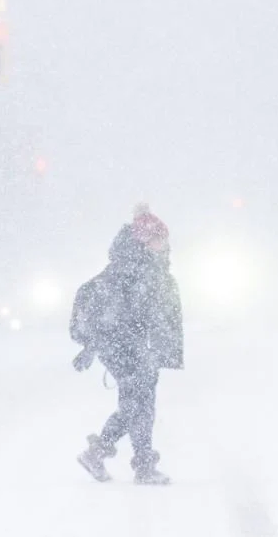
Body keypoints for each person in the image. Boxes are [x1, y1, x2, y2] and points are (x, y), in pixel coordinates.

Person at [71, 204, 184, 485]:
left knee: (135, 405)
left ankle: (96, 453)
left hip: (135, 348)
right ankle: (142, 467)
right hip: (124, 348)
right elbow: (107, 313)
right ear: (145, 242)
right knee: (140, 405)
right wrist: (92, 346)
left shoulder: (144, 268)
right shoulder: (128, 270)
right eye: (159, 239)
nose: (164, 245)